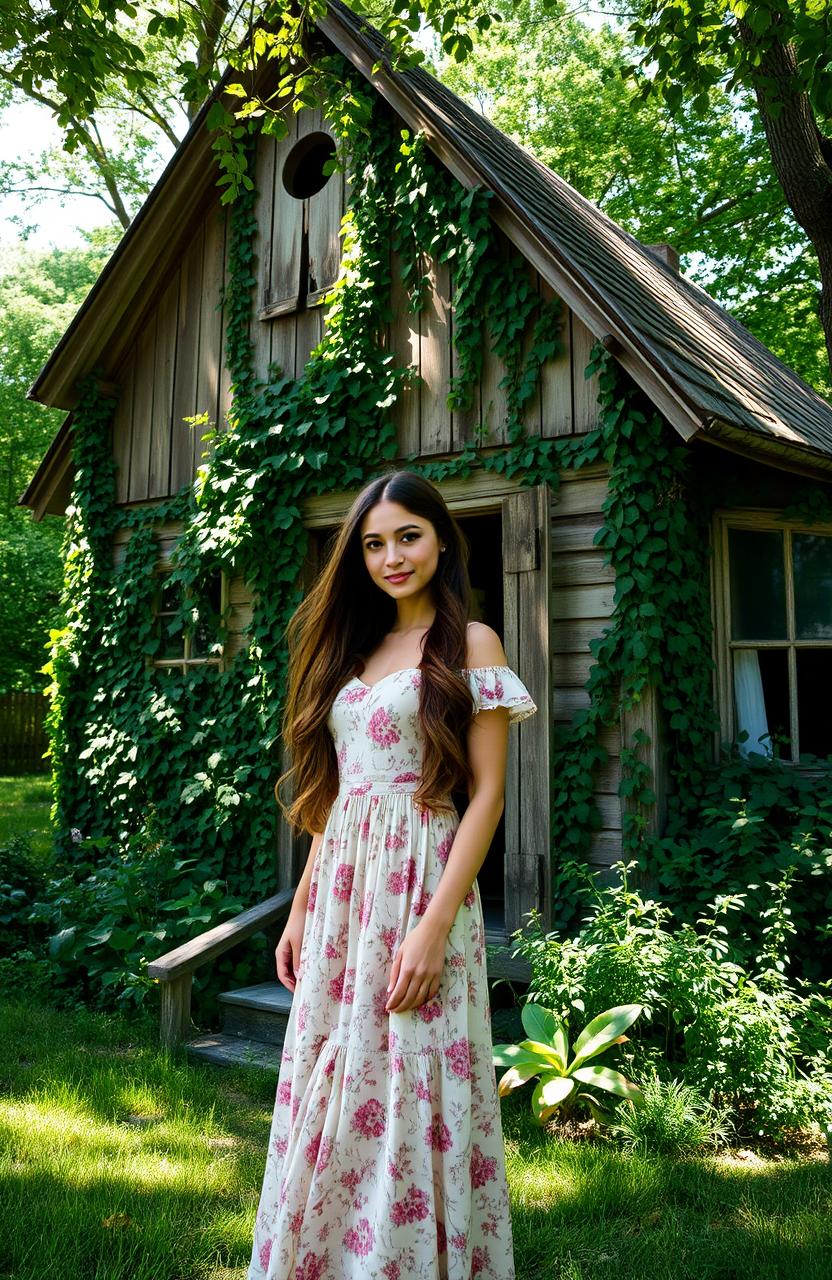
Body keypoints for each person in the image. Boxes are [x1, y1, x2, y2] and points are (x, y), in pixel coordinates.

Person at [247, 469, 537, 1280]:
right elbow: (339, 799)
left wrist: (435, 925)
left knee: (412, 1078)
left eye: (407, 535)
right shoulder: (357, 645)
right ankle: (326, 1257)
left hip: (421, 884)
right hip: (342, 893)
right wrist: (302, 907)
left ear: (443, 539)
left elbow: (486, 798)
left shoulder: (471, 642)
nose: (390, 556)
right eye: (373, 543)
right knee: (330, 1074)